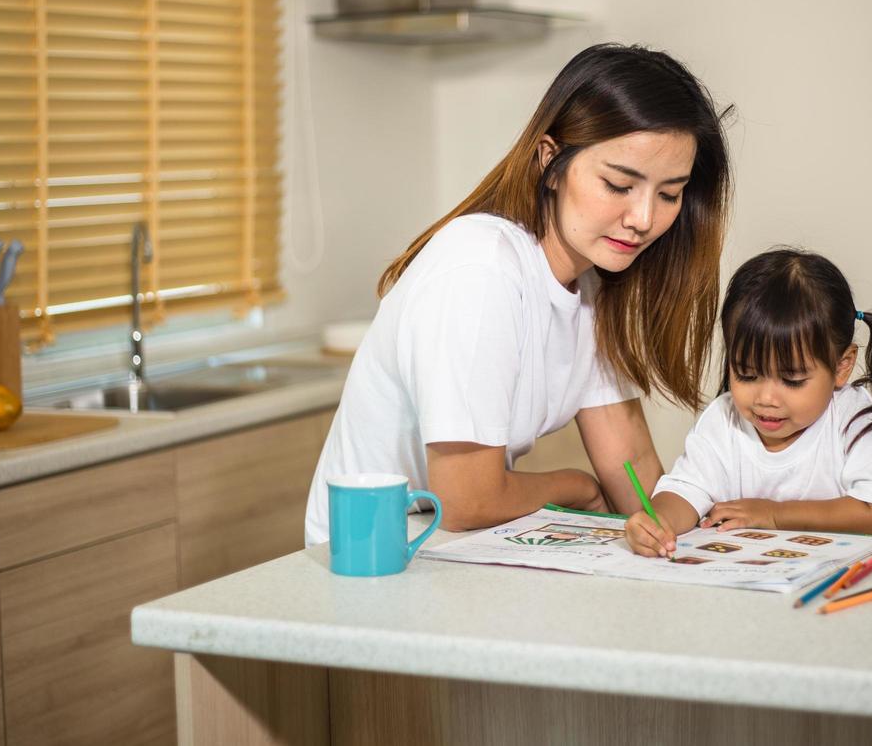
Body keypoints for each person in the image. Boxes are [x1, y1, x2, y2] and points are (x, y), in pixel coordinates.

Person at [304, 44, 733, 545]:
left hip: (448, 544)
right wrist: (577, 488)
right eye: (619, 185)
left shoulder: (591, 281)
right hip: (372, 553)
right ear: (551, 161)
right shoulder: (481, 270)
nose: (643, 219)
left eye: (668, 194)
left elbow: (632, 465)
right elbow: (467, 499)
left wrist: (683, 533)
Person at [626, 248, 872, 558]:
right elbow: (686, 490)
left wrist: (775, 514)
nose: (766, 399)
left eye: (792, 380)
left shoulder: (853, 418)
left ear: (842, 366)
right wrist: (657, 521)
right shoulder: (723, 420)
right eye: (747, 375)